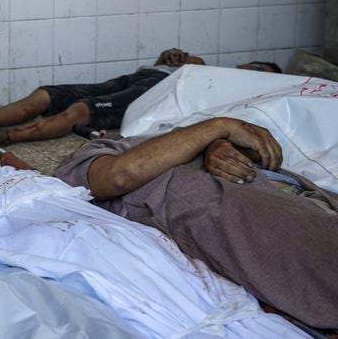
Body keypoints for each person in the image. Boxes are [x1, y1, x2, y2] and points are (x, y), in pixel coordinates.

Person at [0, 152, 304, 337]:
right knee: (102, 277)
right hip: (26, 227)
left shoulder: (10, 176)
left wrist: (14, 170)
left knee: (150, 260)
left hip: (68, 218)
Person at [54, 116, 338, 330]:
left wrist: (217, 144)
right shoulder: (94, 157)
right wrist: (218, 127)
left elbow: (265, 151)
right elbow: (118, 176)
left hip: (306, 198)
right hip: (268, 220)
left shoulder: (193, 141)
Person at [0, 48, 280, 144]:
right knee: (46, 95)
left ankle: (3, 137)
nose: (251, 68)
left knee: (79, 111)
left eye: (260, 72)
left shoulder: (231, 90)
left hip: (151, 95)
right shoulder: (208, 67)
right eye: (255, 65)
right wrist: (172, 56)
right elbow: (167, 59)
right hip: (138, 78)